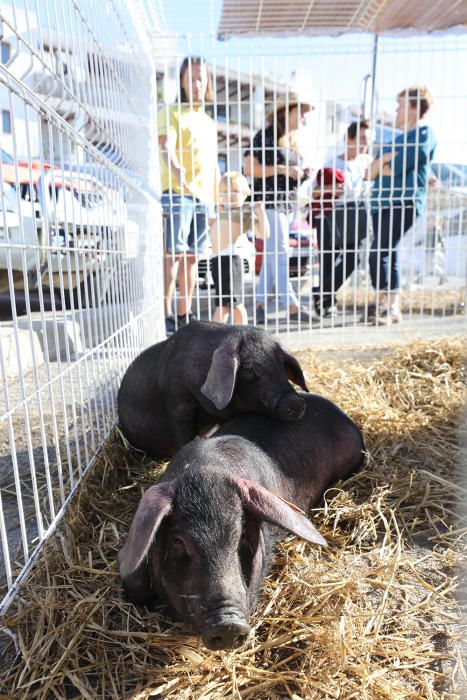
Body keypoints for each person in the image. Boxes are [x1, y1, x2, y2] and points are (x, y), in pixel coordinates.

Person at [158, 56, 219, 334]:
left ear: (207, 82)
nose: (196, 83)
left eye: (200, 78)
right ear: (181, 81)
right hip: (178, 193)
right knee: (174, 254)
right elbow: (165, 146)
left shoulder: (208, 121)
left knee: (193, 257)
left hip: (204, 198)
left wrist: (216, 200)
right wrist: (175, 168)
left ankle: (185, 313)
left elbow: (214, 164)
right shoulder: (171, 111)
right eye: (190, 78)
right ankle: (165, 312)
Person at [366, 85, 436, 325]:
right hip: (380, 203)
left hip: (404, 201)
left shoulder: (424, 134)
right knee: (382, 252)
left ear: (415, 109)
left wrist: (384, 162)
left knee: (380, 251)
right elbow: (370, 172)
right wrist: (383, 162)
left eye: (401, 105)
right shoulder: (394, 140)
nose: (396, 110)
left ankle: (390, 305)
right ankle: (384, 304)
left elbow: (395, 167)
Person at [244, 92, 314, 325]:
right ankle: (292, 306)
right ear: (287, 111)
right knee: (281, 253)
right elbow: (250, 169)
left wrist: (302, 174)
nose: (304, 117)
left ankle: (260, 304)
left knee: (272, 257)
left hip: (288, 204)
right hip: (269, 203)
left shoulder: (292, 140)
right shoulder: (265, 136)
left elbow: (290, 175)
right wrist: (284, 170)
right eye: (301, 111)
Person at [311, 119, 370, 316]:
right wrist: (333, 189)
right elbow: (314, 191)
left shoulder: (365, 164)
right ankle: (327, 304)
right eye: (362, 138)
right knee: (327, 260)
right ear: (349, 139)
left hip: (354, 215)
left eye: (367, 139)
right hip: (330, 215)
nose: (365, 143)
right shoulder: (332, 163)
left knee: (353, 258)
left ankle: (322, 293)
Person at [210, 171, 269, 325]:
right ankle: (217, 337)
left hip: (230, 261)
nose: (228, 196)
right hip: (217, 261)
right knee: (223, 304)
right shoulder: (222, 211)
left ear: (244, 194)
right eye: (224, 192)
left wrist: (260, 213)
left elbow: (263, 234)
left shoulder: (244, 212)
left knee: (234, 304)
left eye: (234, 191)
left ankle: (240, 335)